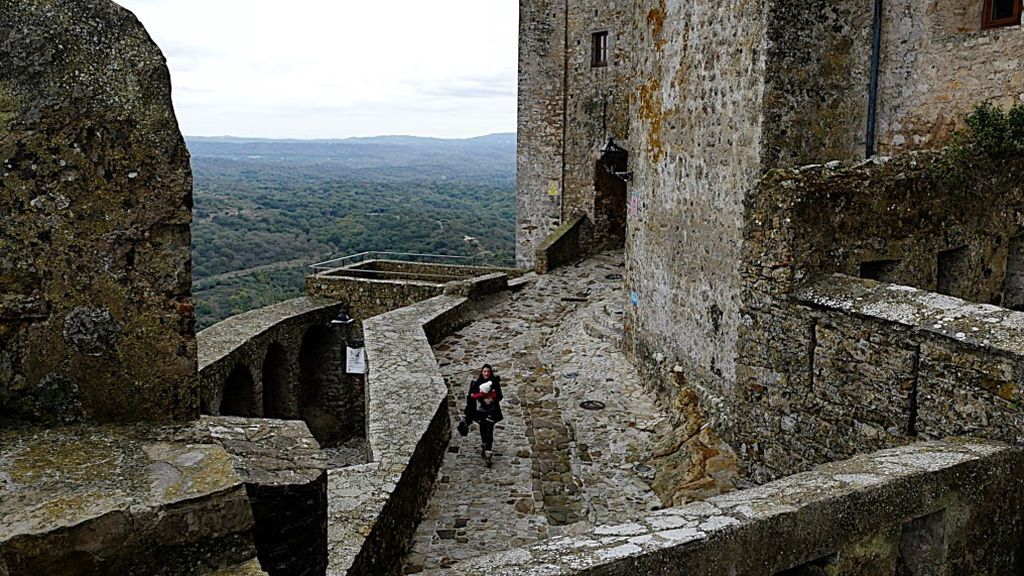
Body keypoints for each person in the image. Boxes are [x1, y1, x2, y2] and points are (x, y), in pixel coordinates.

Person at [464, 363, 503, 466]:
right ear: (482, 372)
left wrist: (492, 399)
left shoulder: (494, 383)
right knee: (483, 429)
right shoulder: (477, 383)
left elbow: (500, 396)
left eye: (488, 372)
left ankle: (488, 453)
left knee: (489, 430)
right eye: (485, 371)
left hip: (491, 411)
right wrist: (482, 398)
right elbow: (473, 396)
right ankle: (485, 446)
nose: (486, 373)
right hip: (480, 411)